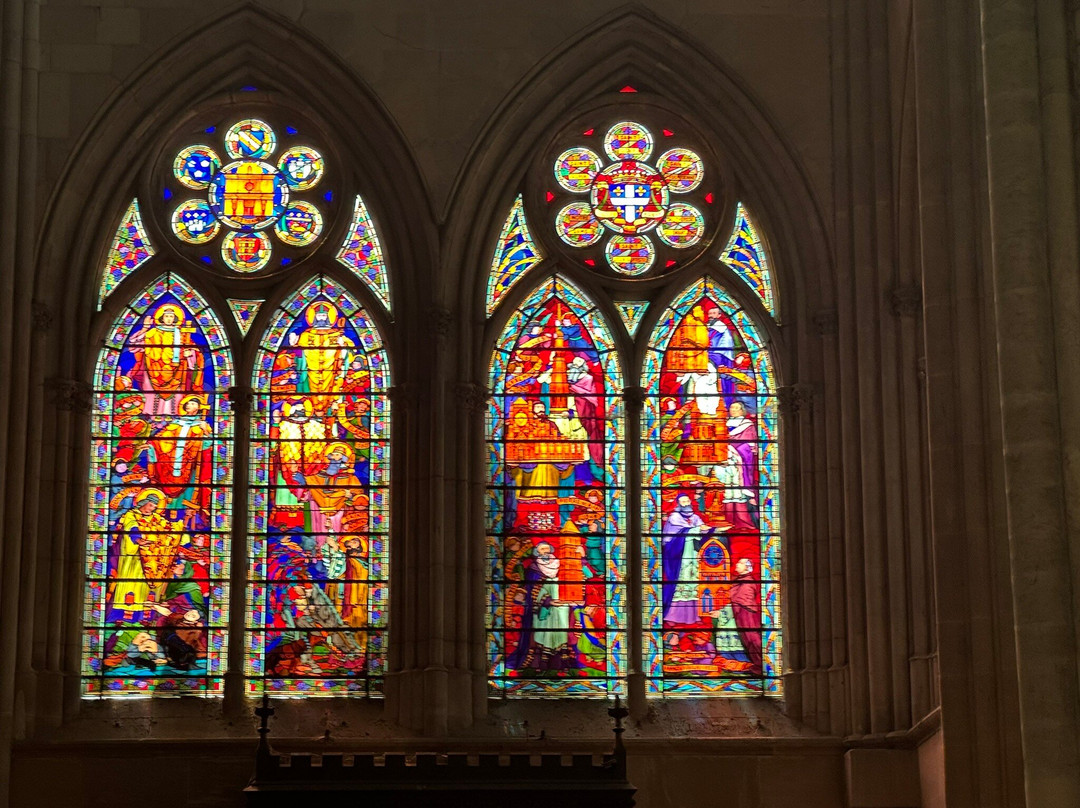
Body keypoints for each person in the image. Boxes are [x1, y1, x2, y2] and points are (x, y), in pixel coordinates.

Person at [127, 302, 205, 416]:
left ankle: (172, 416)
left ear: (175, 318)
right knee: (151, 394)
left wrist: (190, 354)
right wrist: (144, 329)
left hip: (176, 371)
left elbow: (193, 351)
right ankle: (151, 416)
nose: (169, 319)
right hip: (153, 370)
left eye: (171, 316)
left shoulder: (182, 334)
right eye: (166, 316)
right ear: (161, 318)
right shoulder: (152, 332)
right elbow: (134, 346)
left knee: (176, 394)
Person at [661, 492, 720, 625]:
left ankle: (693, 616)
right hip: (680, 558)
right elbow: (674, 538)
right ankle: (674, 616)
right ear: (678, 504)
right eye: (683, 502)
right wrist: (697, 529)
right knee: (681, 585)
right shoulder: (674, 518)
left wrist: (710, 530)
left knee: (693, 584)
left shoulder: (695, 518)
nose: (686, 503)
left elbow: (702, 531)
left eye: (688, 501)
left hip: (693, 556)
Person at [728, 558, 764, 675]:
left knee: (752, 638)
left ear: (747, 567)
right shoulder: (738, 580)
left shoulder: (748, 581)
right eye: (738, 562)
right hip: (740, 613)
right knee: (746, 639)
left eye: (741, 563)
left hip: (747, 613)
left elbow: (743, 598)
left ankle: (761, 663)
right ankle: (757, 664)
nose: (737, 564)